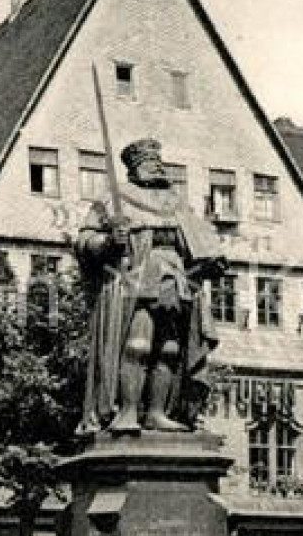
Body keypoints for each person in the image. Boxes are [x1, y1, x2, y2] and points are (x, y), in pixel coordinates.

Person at [74, 137, 226, 434]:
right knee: (138, 344)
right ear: (133, 168)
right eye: (148, 162)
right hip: (137, 276)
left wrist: (212, 258)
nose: (156, 165)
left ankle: (157, 412)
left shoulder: (176, 201)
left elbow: (200, 241)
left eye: (158, 160)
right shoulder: (114, 198)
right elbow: (83, 242)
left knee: (170, 349)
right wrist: (107, 241)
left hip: (176, 278)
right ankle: (128, 411)